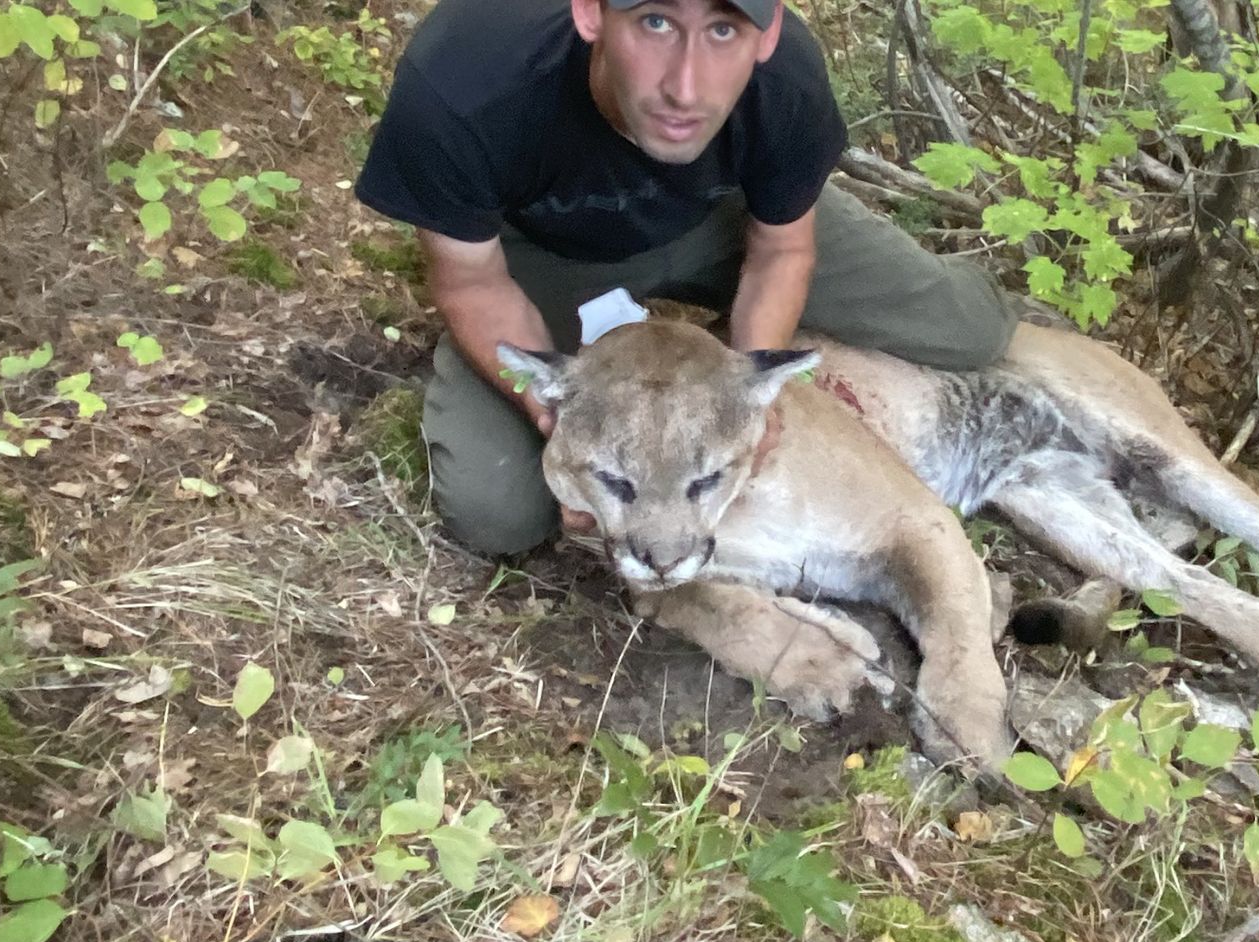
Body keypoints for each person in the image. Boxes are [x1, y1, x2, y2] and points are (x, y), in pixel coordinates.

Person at [355, 0, 1017, 555]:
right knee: (494, 509)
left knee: (972, 331)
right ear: (591, 10)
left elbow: (781, 252)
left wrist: (750, 384)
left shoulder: (786, 81)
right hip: (548, 254)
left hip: (722, 218)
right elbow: (472, 284)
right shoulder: (465, 76)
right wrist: (557, 413)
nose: (687, 87)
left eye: (724, 29)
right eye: (654, 22)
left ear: (769, 32)